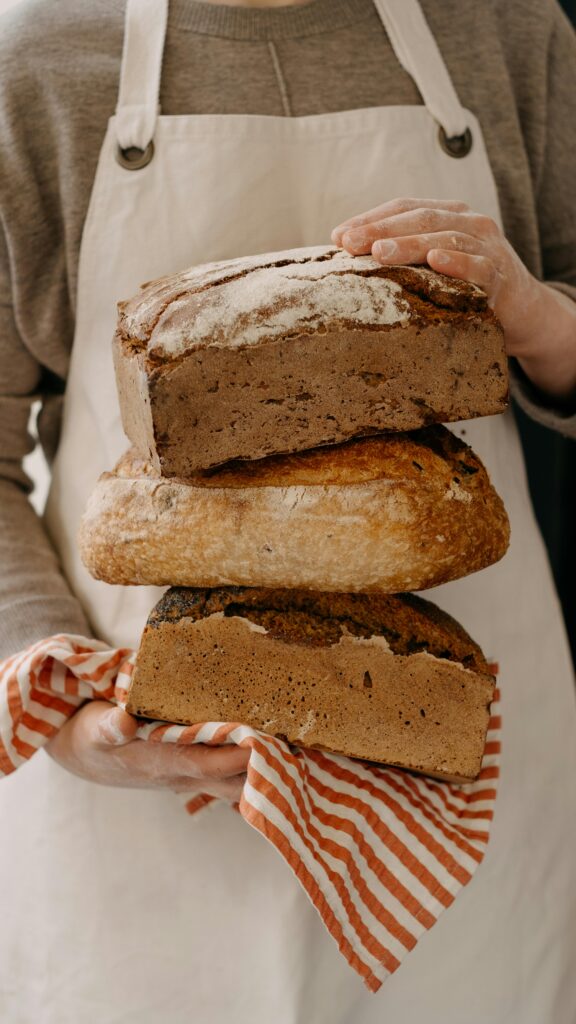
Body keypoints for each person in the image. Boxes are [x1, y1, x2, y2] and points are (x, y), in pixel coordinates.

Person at [1, 0, 575, 1021]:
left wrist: (541, 323)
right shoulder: (41, 65)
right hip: (155, 810)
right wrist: (64, 707)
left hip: (468, 779)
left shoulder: (508, 32)